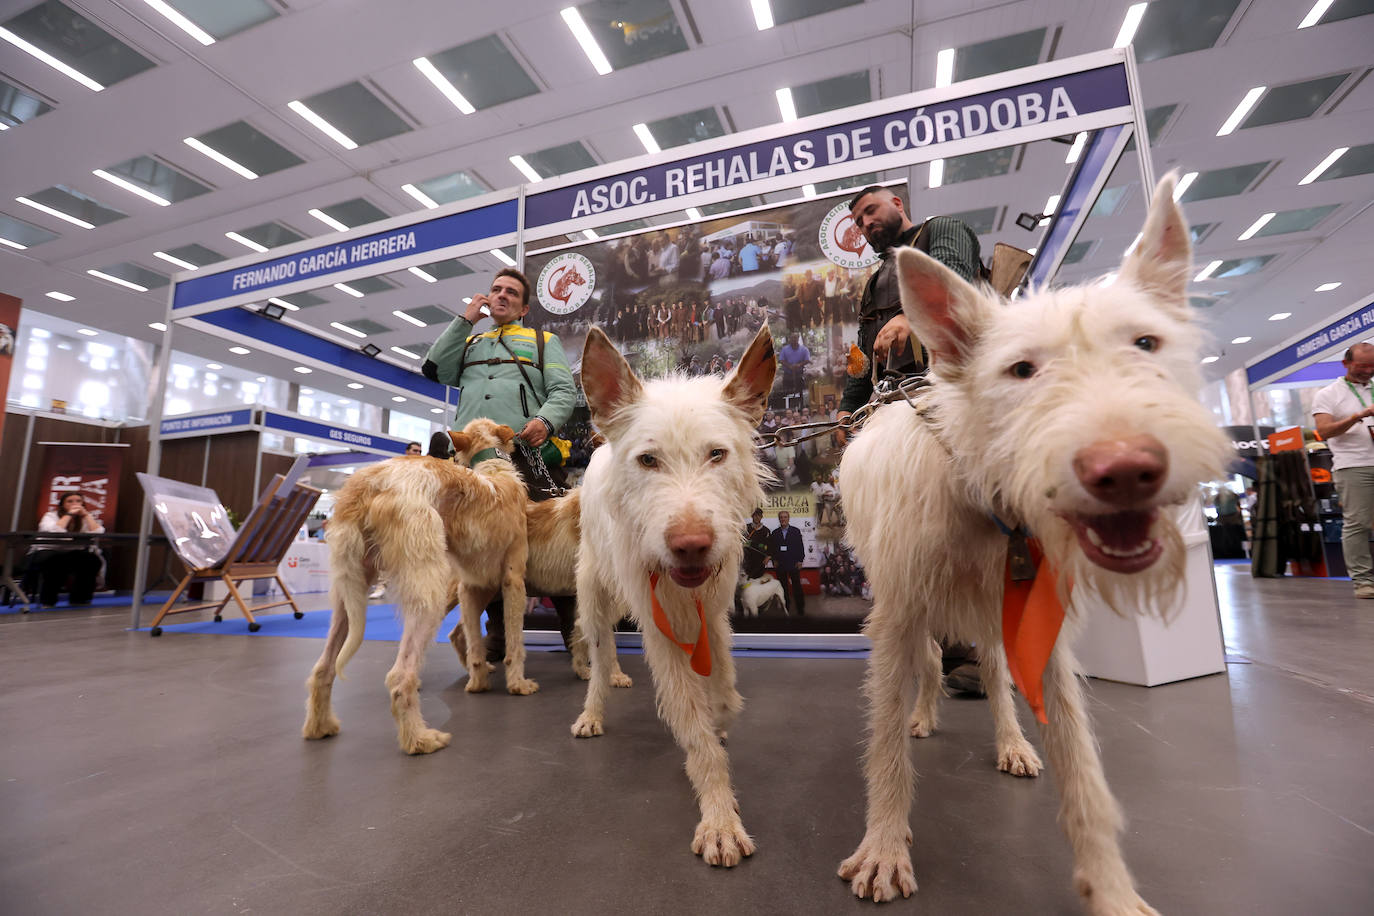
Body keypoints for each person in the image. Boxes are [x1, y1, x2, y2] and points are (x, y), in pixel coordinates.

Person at [423, 267, 580, 654]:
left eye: (511, 292)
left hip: (526, 457)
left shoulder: (543, 342)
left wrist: (544, 421)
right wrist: (464, 321)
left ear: (524, 308)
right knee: (482, 547)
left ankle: (577, 636)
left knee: (552, 542)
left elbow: (563, 391)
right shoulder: (470, 343)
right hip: (472, 466)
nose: (501, 295)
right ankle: (498, 634)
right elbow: (434, 369)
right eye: (496, 289)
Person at [836, 185, 982, 444]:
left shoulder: (941, 229)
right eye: (859, 222)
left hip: (960, 392)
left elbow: (951, 277)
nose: (866, 223)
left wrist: (910, 317)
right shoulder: (874, 284)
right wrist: (848, 407)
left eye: (871, 210)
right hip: (898, 409)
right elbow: (863, 355)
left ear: (897, 204)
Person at [1313, 343, 1374, 598]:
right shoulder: (1328, 394)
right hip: (1353, 465)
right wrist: (1357, 416)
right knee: (1358, 523)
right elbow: (1324, 431)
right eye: (1362, 366)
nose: (1368, 371)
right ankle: (1363, 581)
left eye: (1372, 366)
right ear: (1345, 364)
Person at [29, 492, 104, 607]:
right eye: (70, 501)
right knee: (55, 562)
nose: (75, 504)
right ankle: (48, 601)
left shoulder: (84, 518)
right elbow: (55, 531)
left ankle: (80, 599)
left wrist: (87, 516)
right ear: (62, 505)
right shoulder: (50, 516)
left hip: (72, 552)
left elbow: (98, 532)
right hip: (48, 550)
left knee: (92, 560)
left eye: (78, 501)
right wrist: (69, 514)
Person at [768, 510, 805, 615]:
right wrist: (774, 560)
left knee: (797, 586)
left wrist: (800, 560)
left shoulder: (795, 531)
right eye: (781, 517)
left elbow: (800, 546)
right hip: (780, 564)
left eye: (785, 517)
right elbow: (772, 548)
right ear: (779, 519)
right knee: (783, 587)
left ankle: (800, 608)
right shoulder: (775, 533)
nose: (783, 519)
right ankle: (786, 606)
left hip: (793, 563)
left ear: (788, 518)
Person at [778, 332, 811, 405]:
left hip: (799, 375)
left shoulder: (804, 349)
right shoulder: (785, 349)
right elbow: (781, 360)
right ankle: (788, 407)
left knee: (800, 393)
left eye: (795, 338)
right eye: (792, 338)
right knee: (787, 393)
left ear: (798, 339)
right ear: (790, 339)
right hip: (788, 375)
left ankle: (801, 405)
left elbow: (807, 360)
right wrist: (789, 366)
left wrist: (799, 365)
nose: (793, 339)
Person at [742, 508, 770, 580]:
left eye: (759, 515)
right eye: (755, 515)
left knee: (758, 581)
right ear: (752, 516)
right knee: (747, 581)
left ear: (761, 517)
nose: (757, 517)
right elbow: (741, 541)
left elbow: (769, 545)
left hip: (760, 560)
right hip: (747, 560)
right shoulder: (746, 528)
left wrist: (768, 556)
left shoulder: (766, 530)